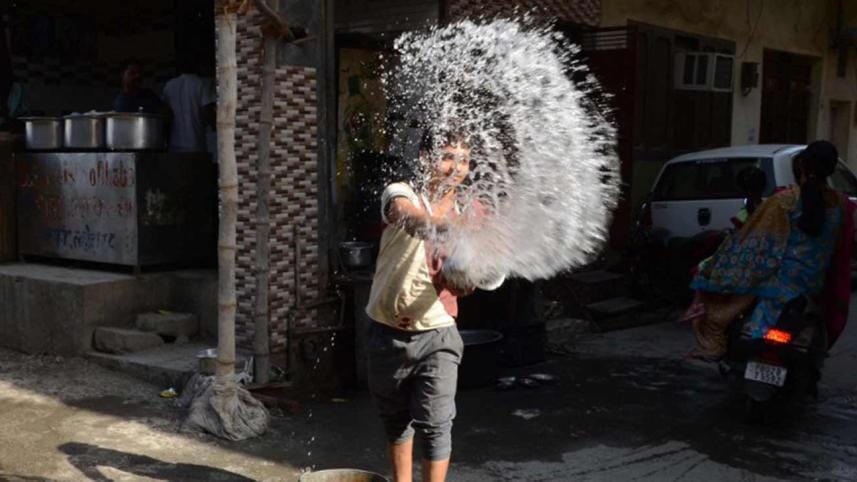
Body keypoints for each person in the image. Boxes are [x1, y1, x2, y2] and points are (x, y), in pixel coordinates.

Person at [365, 132, 485, 482]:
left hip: (437, 335)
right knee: (396, 422)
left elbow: (469, 281)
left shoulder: (469, 213)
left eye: (463, 160)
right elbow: (406, 216)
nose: (456, 168)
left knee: (435, 425)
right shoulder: (402, 192)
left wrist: (466, 273)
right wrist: (445, 228)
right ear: (423, 156)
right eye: (448, 157)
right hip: (385, 332)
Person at [685, 140, 854, 360]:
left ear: (801, 166)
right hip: (814, 287)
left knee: (711, 281)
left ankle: (715, 344)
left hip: (776, 287)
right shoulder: (842, 205)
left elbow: (754, 243)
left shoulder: (784, 201)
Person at [162, 61, 215, 152]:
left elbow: (165, 112)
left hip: (174, 144)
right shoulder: (201, 83)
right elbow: (207, 111)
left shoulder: (169, 85)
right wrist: (215, 126)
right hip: (196, 142)